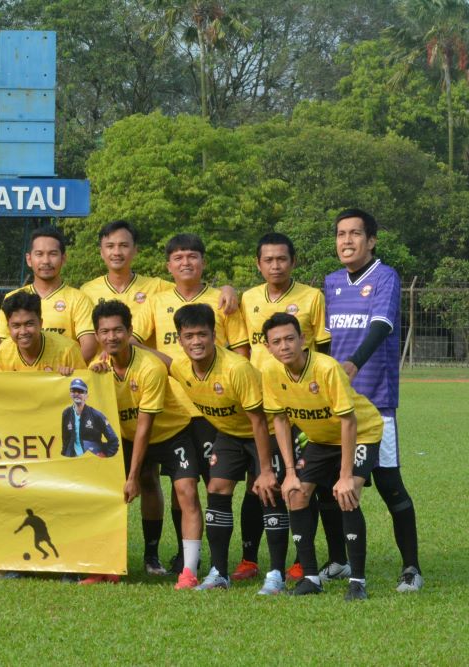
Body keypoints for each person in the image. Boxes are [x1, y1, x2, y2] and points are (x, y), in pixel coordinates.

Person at [133, 233, 248, 573]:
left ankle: (218, 558)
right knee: (181, 485)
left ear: (203, 262)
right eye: (178, 257)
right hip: (173, 411)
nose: (186, 262)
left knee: (216, 486)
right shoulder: (156, 301)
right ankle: (186, 557)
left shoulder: (222, 300)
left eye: (192, 256)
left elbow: (242, 351)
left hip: (214, 409)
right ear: (168, 265)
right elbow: (133, 342)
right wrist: (170, 366)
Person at [324, 208, 422, 593]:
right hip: (337, 404)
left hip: (376, 402)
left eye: (355, 233)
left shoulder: (385, 276)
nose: (346, 241)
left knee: (389, 484)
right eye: (341, 234)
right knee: (331, 483)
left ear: (372, 240)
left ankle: (411, 568)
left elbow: (382, 325)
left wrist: (354, 362)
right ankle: (339, 561)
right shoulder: (331, 282)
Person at [162, 304, 288, 594]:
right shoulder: (181, 367)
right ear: (180, 339)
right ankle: (219, 573)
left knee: (268, 491)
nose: (196, 342)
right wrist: (129, 345)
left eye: (202, 334)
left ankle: (276, 574)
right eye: (189, 336)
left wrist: (265, 470)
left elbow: (259, 420)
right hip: (230, 434)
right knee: (216, 487)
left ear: (214, 335)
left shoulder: (236, 368)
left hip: (265, 432)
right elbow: (164, 361)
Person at [238, 232, 338, 584]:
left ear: (293, 261)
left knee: (303, 481)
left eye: (282, 259)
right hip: (263, 405)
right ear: (258, 264)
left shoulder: (312, 297)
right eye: (268, 260)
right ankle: (249, 558)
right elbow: (244, 350)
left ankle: (300, 560)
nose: (275, 265)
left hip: (303, 406)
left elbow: (323, 352)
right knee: (258, 480)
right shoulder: (248, 298)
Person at [261, 312, 383, 600]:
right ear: (268, 347)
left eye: (290, 339)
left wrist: (345, 476)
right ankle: (311, 578)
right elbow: (280, 420)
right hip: (320, 439)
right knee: (295, 494)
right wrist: (290, 473)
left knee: (346, 494)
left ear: (303, 339)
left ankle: (357, 582)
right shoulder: (270, 372)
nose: (284, 346)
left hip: (361, 432)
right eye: (276, 342)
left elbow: (348, 421)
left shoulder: (327, 368)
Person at [90, 300, 202, 590]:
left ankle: (189, 570)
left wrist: (132, 476)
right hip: (128, 437)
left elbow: (145, 425)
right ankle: (118, 563)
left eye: (118, 330)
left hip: (171, 433)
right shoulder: (97, 369)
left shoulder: (151, 367)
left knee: (186, 491)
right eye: (105, 331)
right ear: (97, 335)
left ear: (130, 332)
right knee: (110, 491)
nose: (111, 337)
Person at [0, 227, 96, 362]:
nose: (46, 261)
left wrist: (59, 370)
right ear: (29, 259)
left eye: (53, 254)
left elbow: (89, 346)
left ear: (63, 258)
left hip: (64, 372)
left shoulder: (79, 299)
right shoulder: (12, 298)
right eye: (39, 254)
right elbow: (2, 345)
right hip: (20, 373)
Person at [0, 292, 86, 374]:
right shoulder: (3, 351)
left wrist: (68, 379)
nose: (23, 332)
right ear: (8, 328)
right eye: (16, 326)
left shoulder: (68, 350)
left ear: (40, 323)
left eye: (29, 324)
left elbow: (84, 386)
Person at [60, 378, 119, 458]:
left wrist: (106, 454)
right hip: (73, 460)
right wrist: (64, 457)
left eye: (80, 391)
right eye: (73, 391)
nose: (76, 394)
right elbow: (65, 440)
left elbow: (114, 440)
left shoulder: (96, 415)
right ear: (70, 394)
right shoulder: (66, 413)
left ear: (86, 395)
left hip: (91, 460)